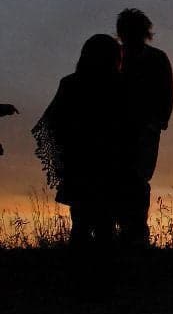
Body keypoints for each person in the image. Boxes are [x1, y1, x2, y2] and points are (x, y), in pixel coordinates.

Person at [32, 35, 125, 249]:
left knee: (82, 224)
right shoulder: (119, 86)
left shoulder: (71, 83)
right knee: (105, 224)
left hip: (79, 163)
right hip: (107, 164)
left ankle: (78, 274)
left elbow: (52, 124)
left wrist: (65, 154)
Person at [116, 8, 173, 245]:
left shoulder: (157, 58)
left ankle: (136, 234)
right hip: (118, 130)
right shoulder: (115, 56)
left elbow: (167, 93)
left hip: (145, 129)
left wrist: (158, 121)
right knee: (122, 179)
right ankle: (126, 234)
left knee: (138, 180)